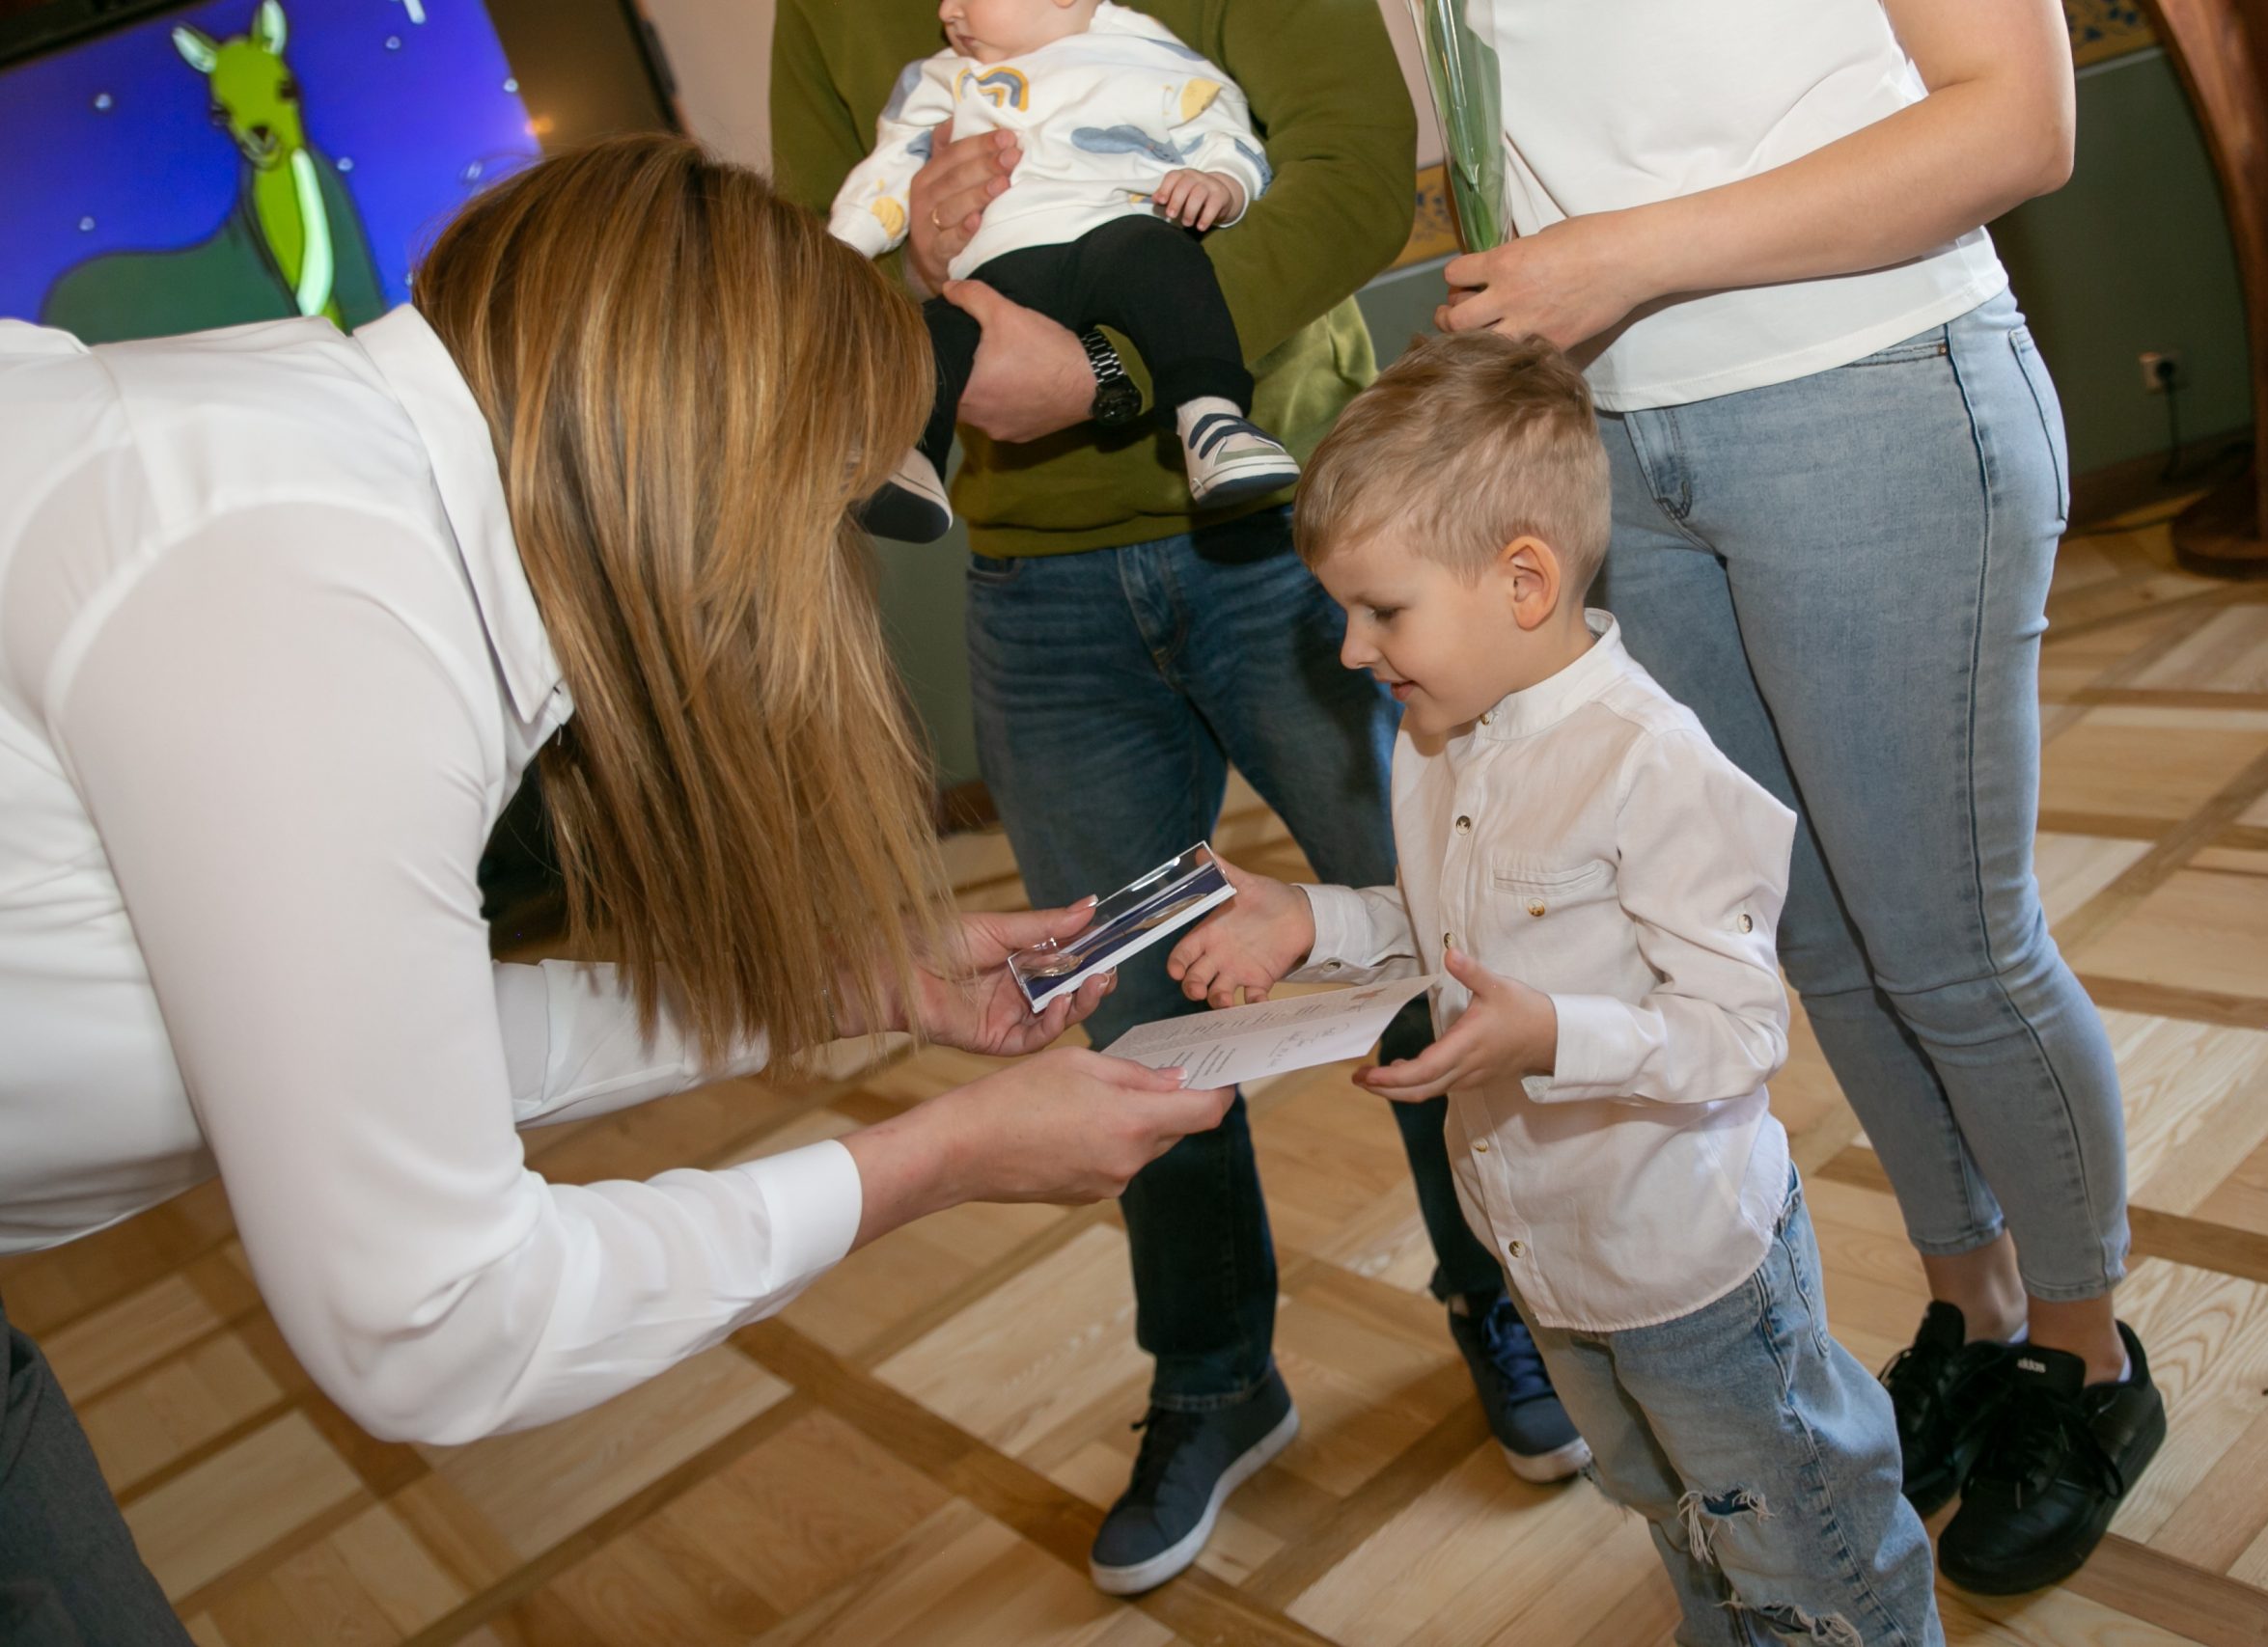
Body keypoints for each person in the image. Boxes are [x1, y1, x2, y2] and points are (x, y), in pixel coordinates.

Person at [0, 136, 1233, 1642]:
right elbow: (442, 1321)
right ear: (720, 466)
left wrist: (850, 989)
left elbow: (398, 1055)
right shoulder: (323, 607)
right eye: (818, 512)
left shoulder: (312, 467)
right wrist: (948, 1154)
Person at [773, 0, 1586, 1597]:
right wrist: (913, 259)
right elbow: (814, 268)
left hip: (1296, 523)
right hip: (1029, 581)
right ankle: (1216, 1375)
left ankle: (1510, 1298)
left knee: (1436, 939)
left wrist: (1111, 370)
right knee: (1128, 1004)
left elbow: (1354, 169)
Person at [1434, 0, 2166, 1595]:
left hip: (1868, 383)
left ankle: (2089, 1356)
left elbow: (2018, 118)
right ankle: (1975, 1307)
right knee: (1815, 942)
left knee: (1953, 947)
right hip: (1612, 438)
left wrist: (1627, 257)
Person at [1171, 330, 1943, 1647]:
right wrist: (1311, 918)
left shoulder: (1651, 764)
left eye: (1382, 610)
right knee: (1675, 1512)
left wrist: (1549, 1035)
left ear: (1522, 580)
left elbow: (1739, 1027)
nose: (1351, 650)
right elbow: (1446, 935)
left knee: (1799, 1531)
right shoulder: (1433, 742)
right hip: (1549, 1256)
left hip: (1689, 1270)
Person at [830, 0, 1296, 538]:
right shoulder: (943, 79)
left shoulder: (1138, 50)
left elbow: (1215, 120)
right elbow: (888, 170)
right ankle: (907, 457)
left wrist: (1224, 182)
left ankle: (1213, 421)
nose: (946, 11)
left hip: (1115, 235)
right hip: (997, 269)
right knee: (937, 335)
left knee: (1170, 270)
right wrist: (845, 245)